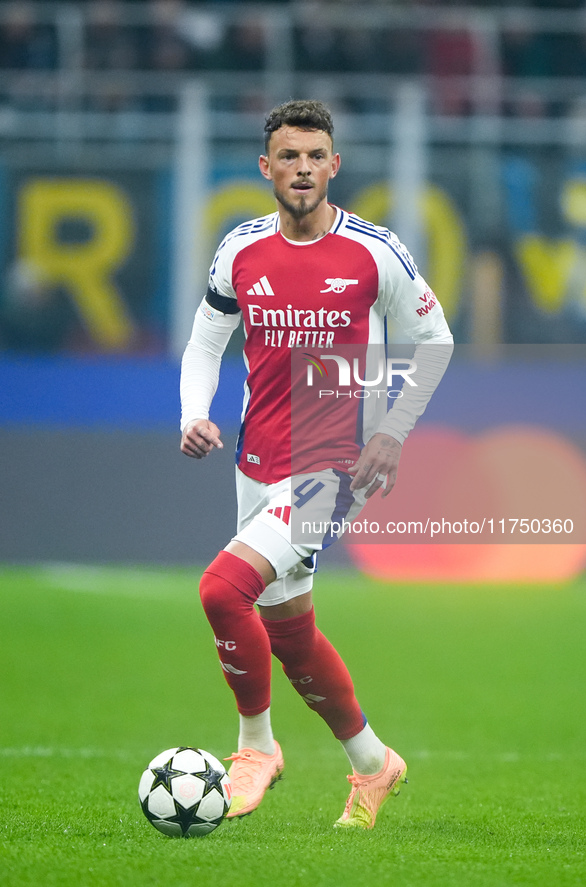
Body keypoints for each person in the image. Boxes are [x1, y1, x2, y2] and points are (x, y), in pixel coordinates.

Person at [180, 99, 453, 829]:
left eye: (314, 156)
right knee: (287, 627)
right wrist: (192, 413)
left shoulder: (375, 251)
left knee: (220, 590)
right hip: (256, 457)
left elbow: (436, 341)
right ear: (265, 168)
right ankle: (373, 763)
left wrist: (392, 432)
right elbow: (206, 341)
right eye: (288, 156)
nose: (301, 168)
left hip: (333, 467)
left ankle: (254, 749)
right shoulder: (239, 247)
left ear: (334, 165)